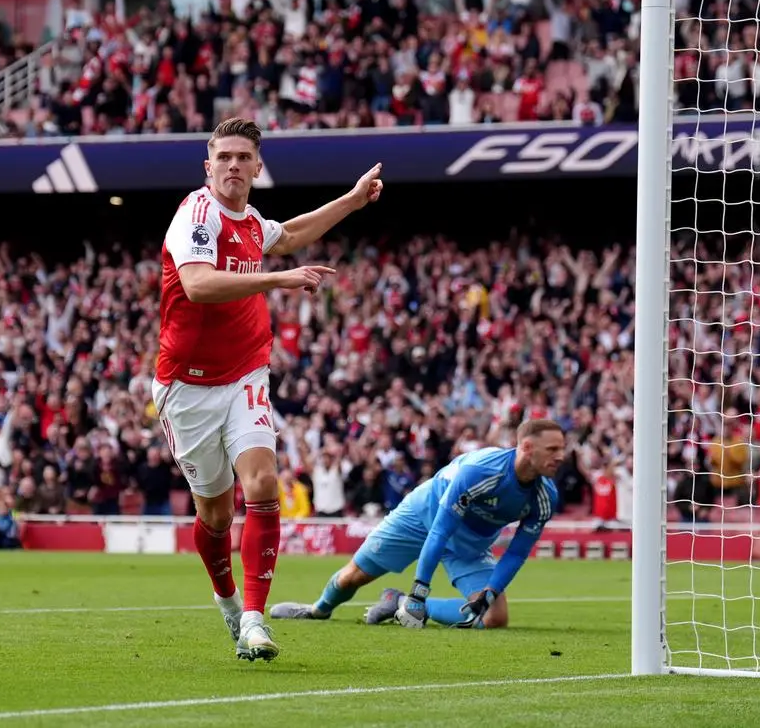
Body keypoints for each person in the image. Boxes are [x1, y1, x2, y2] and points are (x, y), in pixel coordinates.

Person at [153, 118, 384, 662]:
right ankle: (229, 603)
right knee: (214, 513)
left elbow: (295, 233)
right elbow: (198, 284)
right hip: (185, 387)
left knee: (261, 482)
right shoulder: (196, 215)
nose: (234, 165)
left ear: (258, 167)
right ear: (208, 165)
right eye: (224, 157)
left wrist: (351, 201)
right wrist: (277, 279)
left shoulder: (253, 222)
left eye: (243, 158)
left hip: (245, 374)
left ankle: (255, 620)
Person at [269, 419, 564, 630]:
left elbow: (516, 553)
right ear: (526, 447)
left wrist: (491, 592)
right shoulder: (481, 471)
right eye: (552, 449)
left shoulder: (545, 496)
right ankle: (318, 609)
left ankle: (396, 601)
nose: (560, 456)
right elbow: (440, 528)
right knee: (353, 577)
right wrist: (419, 588)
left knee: (494, 616)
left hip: (470, 543)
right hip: (424, 515)